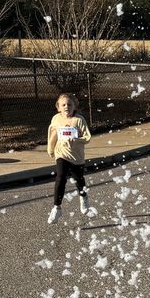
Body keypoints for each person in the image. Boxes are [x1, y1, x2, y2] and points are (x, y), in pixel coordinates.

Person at [47, 93, 92, 223]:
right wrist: (50, 149)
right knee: (60, 177)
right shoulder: (56, 119)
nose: (66, 107)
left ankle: (83, 196)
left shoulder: (79, 120)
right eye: (63, 105)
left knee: (79, 180)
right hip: (61, 153)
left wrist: (76, 139)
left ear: (74, 106)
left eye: (69, 104)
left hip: (77, 156)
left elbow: (87, 137)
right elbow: (52, 134)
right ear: (58, 107)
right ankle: (57, 207)